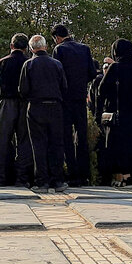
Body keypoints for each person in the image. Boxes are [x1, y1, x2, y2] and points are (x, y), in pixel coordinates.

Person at [96, 39, 132, 186]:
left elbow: (101, 90)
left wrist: (100, 111)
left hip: (121, 115)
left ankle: (127, 175)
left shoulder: (114, 68)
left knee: (123, 146)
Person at [19, 35, 69, 192]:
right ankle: (58, 181)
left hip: (36, 107)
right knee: (56, 144)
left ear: (31, 48)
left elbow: (23, 90)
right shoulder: (57, 64)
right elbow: (64, 87)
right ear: (45, 47)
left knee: (38, 145)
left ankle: (42, 182)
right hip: (55, 106)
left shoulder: (28, 65)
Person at [52, 24, 99, 187]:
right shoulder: (84, 49)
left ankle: (71, 174)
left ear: (56, 38)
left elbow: (56, 74)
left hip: (64, 98)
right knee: (81, 135)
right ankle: (84, 174)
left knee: (67, 137)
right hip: (80, 97)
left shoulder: (59, 50)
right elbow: (92, 73)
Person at [0, 33, 33, 188]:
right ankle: (22, 178)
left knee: (2, 141)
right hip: (24, 103)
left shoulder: (2, 62)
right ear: (26, 48)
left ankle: (1, 177)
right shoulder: (28, 63)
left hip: (5, 102)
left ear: (11, 46)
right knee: (24, 141)